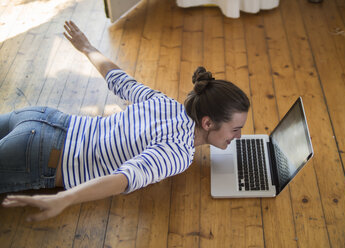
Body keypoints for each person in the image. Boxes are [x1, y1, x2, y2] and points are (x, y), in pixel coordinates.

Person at [1, 21, 250, 221]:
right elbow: (125, 178)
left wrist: (87, 46)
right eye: (235, 129)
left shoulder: (167, 103)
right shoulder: (179, 153)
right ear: (207, 123)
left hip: (43, 117)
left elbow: (120, 81)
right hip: (41, 155)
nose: (238, 136)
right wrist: (65, 198)